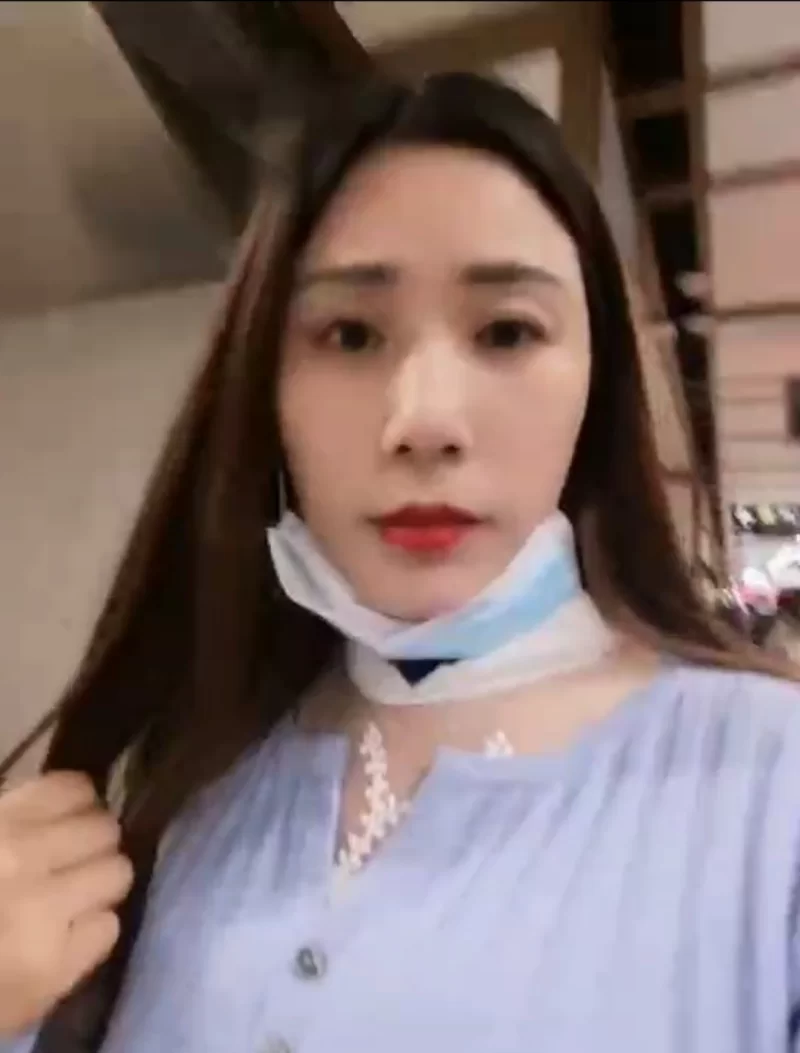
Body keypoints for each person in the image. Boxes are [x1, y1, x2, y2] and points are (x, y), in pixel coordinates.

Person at [1, 71, 799, 1053]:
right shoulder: (181, 785)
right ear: (265, 390)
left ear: (597, 382)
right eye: (349, 334)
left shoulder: (772, 793)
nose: (424, 419)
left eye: (506, 330)